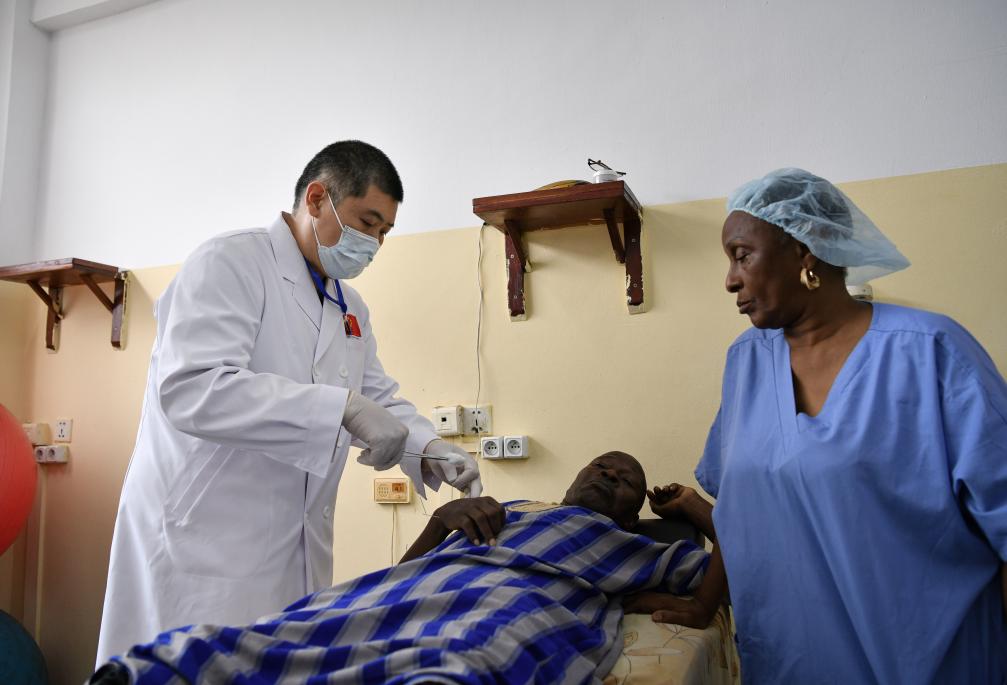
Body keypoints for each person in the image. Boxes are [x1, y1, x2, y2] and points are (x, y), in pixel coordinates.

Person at [96, 141, 482, 665]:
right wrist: (340, 409)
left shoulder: (349, 305)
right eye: (366, 223)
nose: (373, 244)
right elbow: (192, 387)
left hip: (292, 546)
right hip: (202, 538)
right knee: (185, 670)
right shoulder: (230, 262)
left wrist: (429, 447)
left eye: (384, 233)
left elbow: (376, 397)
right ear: (317, 198)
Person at [648, 168, 1007, 683]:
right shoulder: (747, 360)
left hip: (930, 663)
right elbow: (741, 511)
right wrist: (706, 604)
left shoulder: (930, 351)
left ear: (805, 250)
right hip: (791, 661)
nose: (730, 279)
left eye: (742, 255)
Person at [89, 451, 725, 684]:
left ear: (633, 511)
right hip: (420, 591)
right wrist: (439, 521)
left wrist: (697, 510)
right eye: (600, 467)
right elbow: (405, 574)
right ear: (571, 481)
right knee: (309, 625)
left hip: (516, 603)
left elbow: (737, 565)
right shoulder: (504, 510)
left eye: (624, 480)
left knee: (470, 653)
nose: (608, 476)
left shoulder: (630, 545)